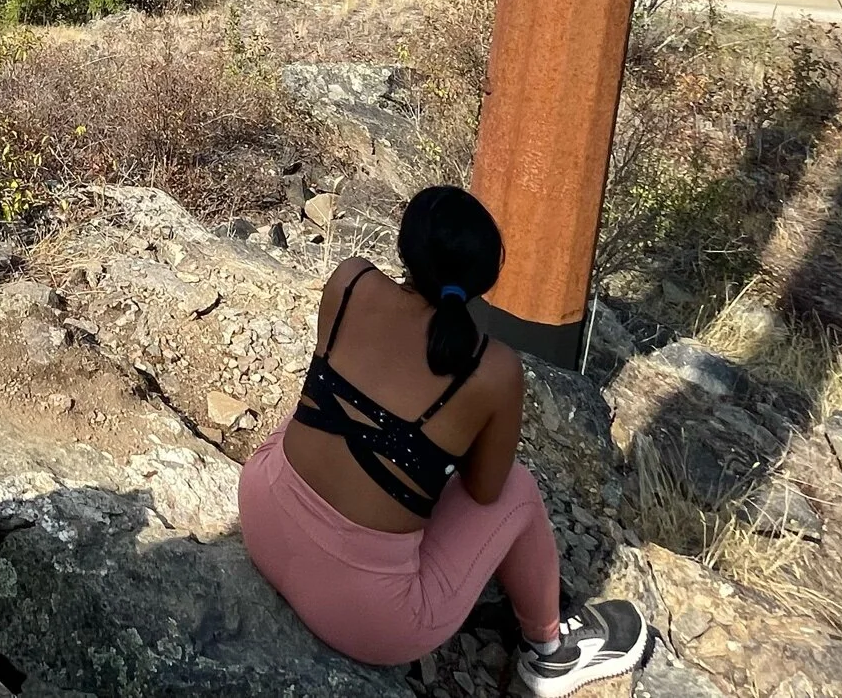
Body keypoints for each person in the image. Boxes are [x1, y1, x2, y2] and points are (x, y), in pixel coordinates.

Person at [238, 185, 651, 695]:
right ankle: (549, 652)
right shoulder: (492, 368)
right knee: (518, 489)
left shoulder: (349, 281)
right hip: (368, 620)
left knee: (324, 410)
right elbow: (485, 491)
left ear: (404, 247)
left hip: (260, 519)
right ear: (482, 281)